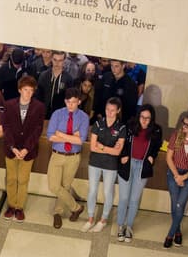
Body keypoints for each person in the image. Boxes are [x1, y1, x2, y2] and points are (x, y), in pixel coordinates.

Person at [114, 103, 164, 242]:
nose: (144, 121)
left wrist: (152, 156)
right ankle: (120, 226)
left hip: (143, 167)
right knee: (124, 198)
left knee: (134, 199)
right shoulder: (129, 126)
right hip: (127, 164)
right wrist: (122, 155)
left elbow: (157, 145)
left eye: (148, 118)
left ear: (151, 119)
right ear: (138, 116)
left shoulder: (156, 130)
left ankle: (128, 226)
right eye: (142, 117)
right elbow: (121, 142)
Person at [0, 75, 46, 222]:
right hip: (11, 149)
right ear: (20, 90)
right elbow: (6, 128)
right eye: (25, 90)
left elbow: (37, 130)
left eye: (31, 91)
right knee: (12, 179)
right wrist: (13, 147)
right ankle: (11, 206)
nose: (28, 93)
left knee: (23, 179)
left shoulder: (39, 107)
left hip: (28, 150)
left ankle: (19, 208)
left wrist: (26, 149)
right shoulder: (9, 105)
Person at [44, 87, 89, 230]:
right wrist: (72, 136)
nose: (70, 105)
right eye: (68, 102)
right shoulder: (57, 114)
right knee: (54, 186)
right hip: (57, 155)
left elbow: (80, 141)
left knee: (66, 186)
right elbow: (51, 136)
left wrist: (61, 135)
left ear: (79, 102)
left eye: (74, 102)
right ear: (65, 101)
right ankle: (76, 207)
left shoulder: (83, 117)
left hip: (73, 157)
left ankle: (58, 213)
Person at [82, 97, 128, 233]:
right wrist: (108, 149)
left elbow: (117, 152)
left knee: (108, 192)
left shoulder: (121, 128)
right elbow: (92, 147)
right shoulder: (97, 124)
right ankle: (90, 218)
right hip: (95, 163)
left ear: (118, 111)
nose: (109, 112)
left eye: (113, 110)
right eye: (108, 109)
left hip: (111, 165)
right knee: (92, 191)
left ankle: (103, 220)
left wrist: (102, 147)